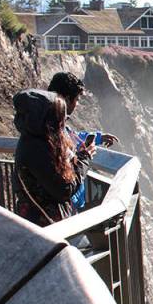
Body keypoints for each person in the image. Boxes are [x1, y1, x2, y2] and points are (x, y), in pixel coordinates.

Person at [11, 89, 95, 226]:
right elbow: (64, 189)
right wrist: (84, 159)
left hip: (38, 223)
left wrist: (78, 157)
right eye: (60, 116)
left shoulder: (37, 141)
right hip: (43, 228)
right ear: (48, 119)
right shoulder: (36, 149)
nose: (63, 122)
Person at [47, 71, 119, 210]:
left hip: (65, 205)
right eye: (77, 99)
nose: (77, 104)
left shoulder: (50, 122)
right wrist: (85, 156)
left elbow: (71, 137)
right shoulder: (52, 129)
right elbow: (63, 177)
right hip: (64, 209)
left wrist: (97, 137)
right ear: (67, 99)